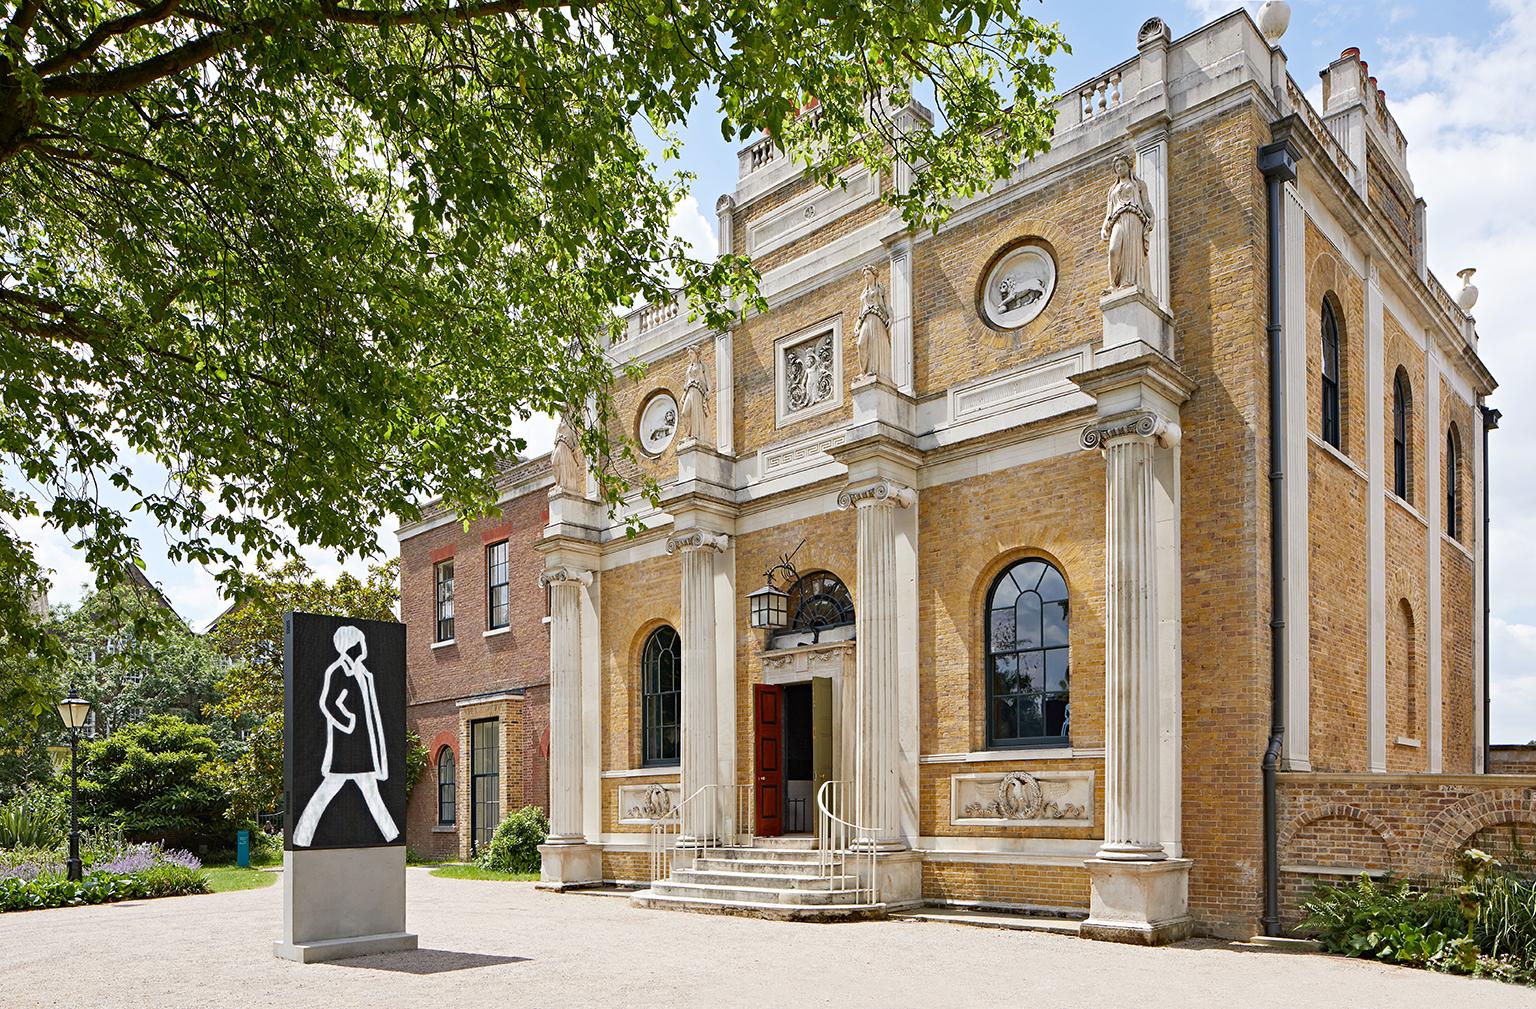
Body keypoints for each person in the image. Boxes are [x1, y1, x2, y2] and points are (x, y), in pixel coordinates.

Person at [292, 625, 398, 846]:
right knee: (327, 791)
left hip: (364, 745)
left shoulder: (364, 673)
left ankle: (392, 837)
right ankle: (302, 837)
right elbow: (328, 703)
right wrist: (348, 722)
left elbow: (370, 710)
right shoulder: (338, 671)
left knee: (372, 794)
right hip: (346, 747)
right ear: (350, 646)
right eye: (360, 642)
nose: (364, 646)